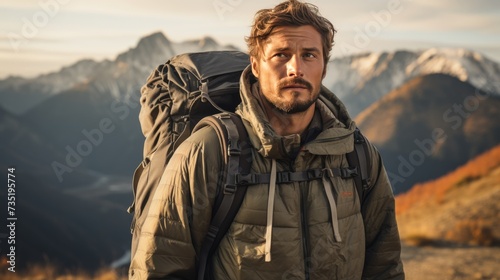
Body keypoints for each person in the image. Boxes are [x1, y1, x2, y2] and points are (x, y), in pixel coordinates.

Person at [129, 0, 405, 279]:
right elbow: (159, 268)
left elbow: (385, 266)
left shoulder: (355, 152)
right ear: (256, 66)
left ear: (324, 67)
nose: (296, 68)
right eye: (281, 55)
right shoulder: (210, 150)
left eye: (309, 55)